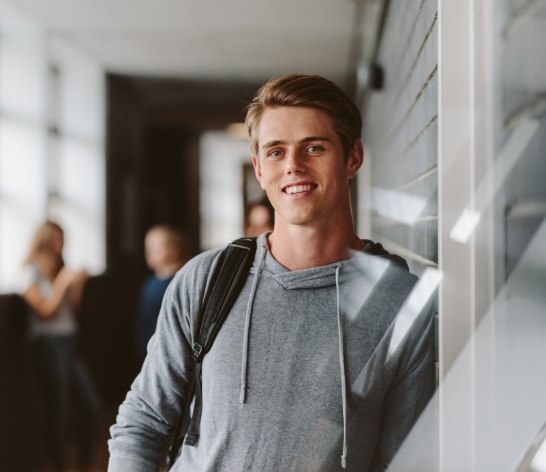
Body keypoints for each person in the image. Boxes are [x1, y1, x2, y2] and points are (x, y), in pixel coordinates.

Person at [107, 74, 435, 471]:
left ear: (352, 158)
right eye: (276, 152)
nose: (293, 166)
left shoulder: (402, 303)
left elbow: (405, 462)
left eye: (314, 147)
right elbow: (142, 423)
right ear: (259, 168)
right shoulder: (205, 280)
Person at [18, 220, 102, 472]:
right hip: (47, 345)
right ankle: (60, 465)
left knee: (92, 406)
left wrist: (77, 287)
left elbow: (71, 312)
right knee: (59, 410)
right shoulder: (27, 271)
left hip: (68, 342)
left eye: (62, 239)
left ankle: (86, 463)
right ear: (43, 240)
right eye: (56, 239)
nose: (60, 245)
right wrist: (63, 283)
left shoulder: (58, 269)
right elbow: (45, 312)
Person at [136, 225, 191, 364]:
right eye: (147, 247)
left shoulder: (185, 281)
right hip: (150, 353)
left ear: (174, 250)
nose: (148, 252)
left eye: (155, 248)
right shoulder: (150, 283)